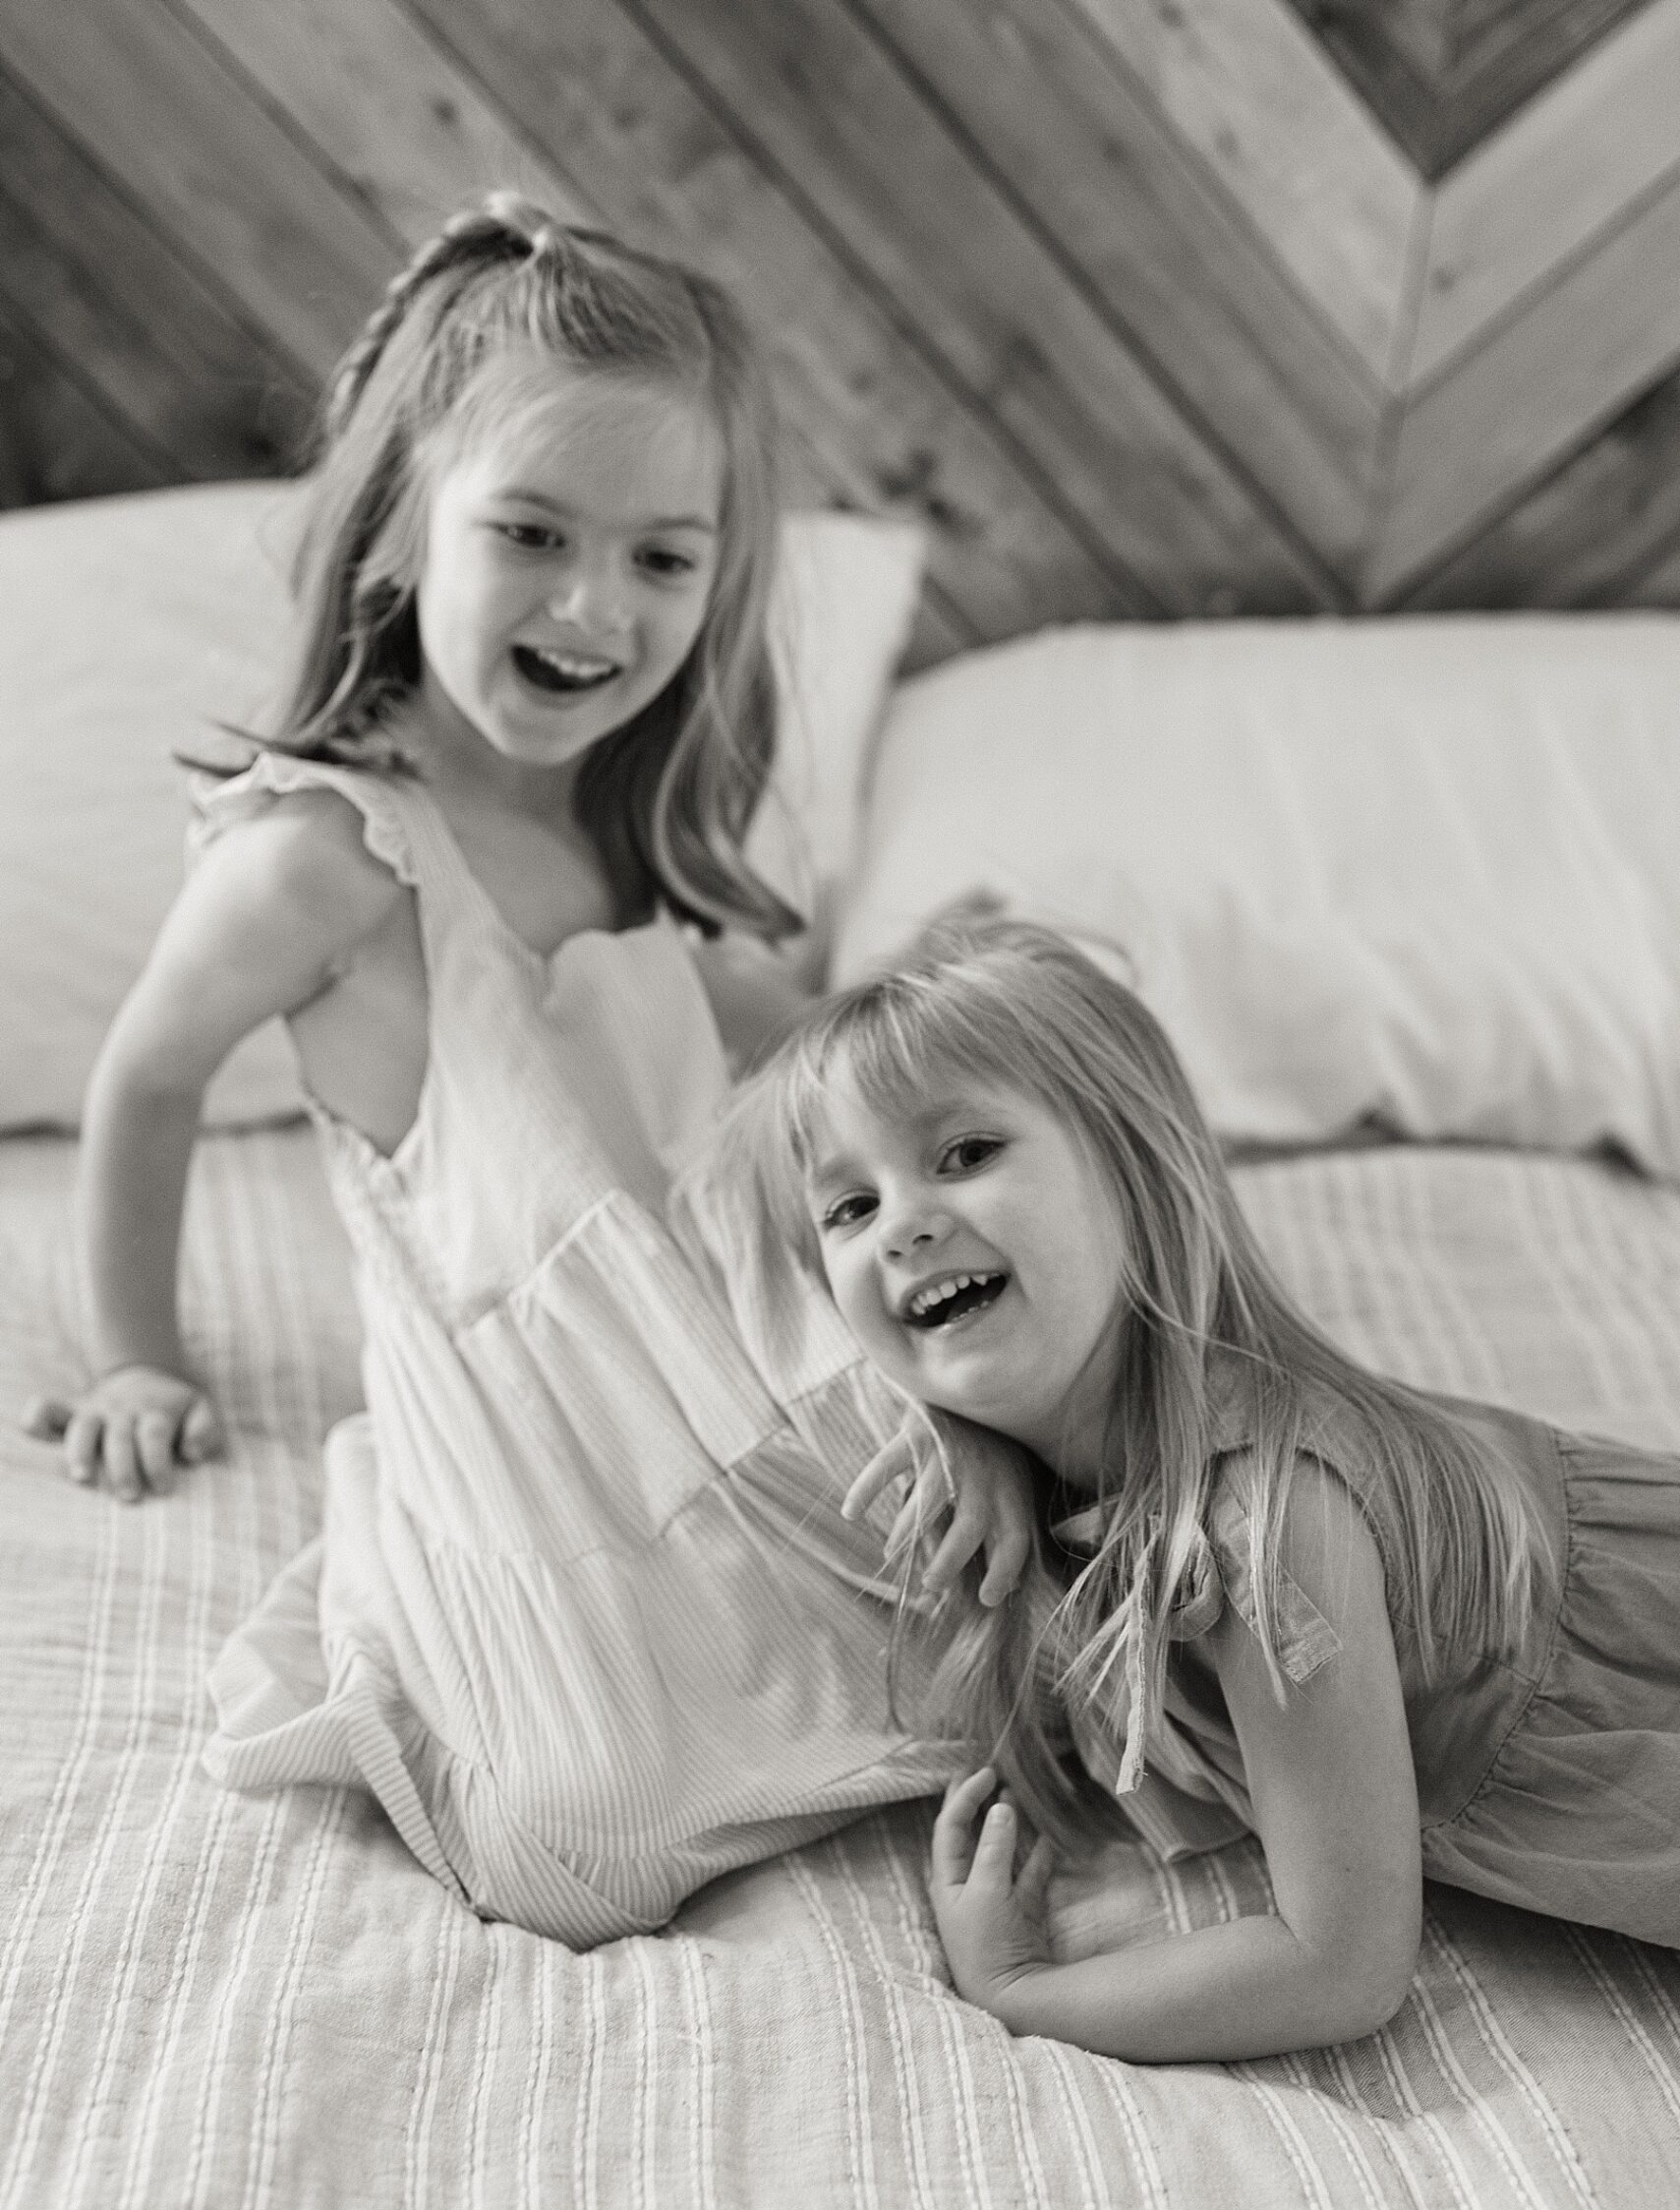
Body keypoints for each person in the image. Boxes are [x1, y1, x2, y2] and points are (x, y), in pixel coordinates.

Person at [25, 198, 1028, 1948]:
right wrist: (134, 1354)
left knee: (1040, 1550)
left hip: (707, 1346)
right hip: (526, 1415)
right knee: (589, 1822)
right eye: (531, 533)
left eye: (660, 559)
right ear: (404, 528)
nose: (592, 604)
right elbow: (149, 1077)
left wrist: (909, 1000)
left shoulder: (618, 829)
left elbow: (740, 1023)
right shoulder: (329, 857)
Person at [734, 914, 1680, 2061]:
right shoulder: (1067, 1487)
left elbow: (1337, 1964)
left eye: (966, 1153)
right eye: (849, 1207)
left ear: (1134, 1169)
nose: (901, 1227)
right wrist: (946, 1420)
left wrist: (1017, 1988)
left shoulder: (1260, 1532)